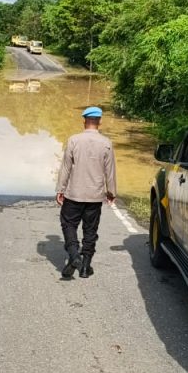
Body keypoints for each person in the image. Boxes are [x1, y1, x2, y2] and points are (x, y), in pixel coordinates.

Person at [55, 106, 117, 279]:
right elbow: (110, 171)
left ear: (84, 121)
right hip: (95, 196)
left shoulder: (74, 140)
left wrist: (60, 189)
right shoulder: (106, 143)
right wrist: (111, 191)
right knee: (90, 230)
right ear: (99, 122)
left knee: (68, 224)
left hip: (74, 193)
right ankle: (85, 267)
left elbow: (66, 167)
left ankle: (75, 256)